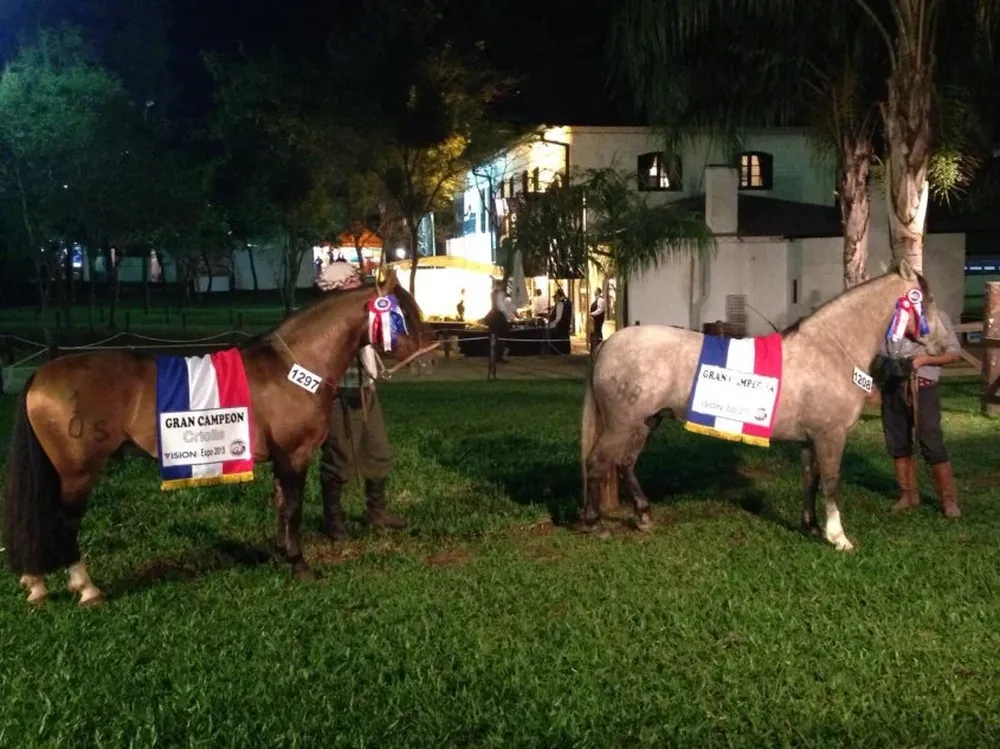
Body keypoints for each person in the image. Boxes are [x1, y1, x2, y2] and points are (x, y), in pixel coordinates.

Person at [877, 304, 962, 518]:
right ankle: (908, 495)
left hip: (922, 389)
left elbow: (953, 354)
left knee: (931, 441)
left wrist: (925, 360)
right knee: (897, 442)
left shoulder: (935, 317)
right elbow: (877, 354)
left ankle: (948, 500)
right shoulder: (887, 317)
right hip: (892, 388)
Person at [318, 345, 407, 540]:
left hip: (366, 391)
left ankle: (377, 512)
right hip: (339, 394)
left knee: (378, 452)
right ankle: (333, 520)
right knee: (339, 457)